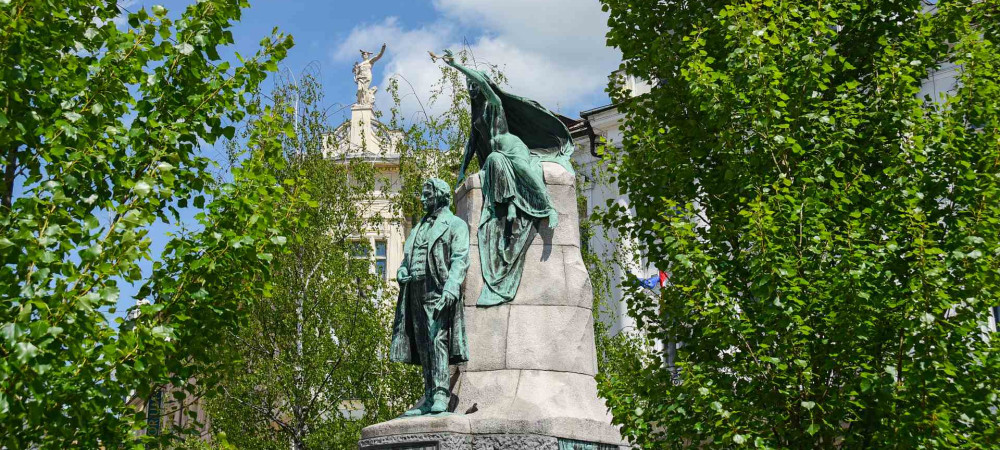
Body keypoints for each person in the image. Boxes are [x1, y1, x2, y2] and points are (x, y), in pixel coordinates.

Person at [433, 50, 576, 306]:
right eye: (469, 87)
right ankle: (510, 205)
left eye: (474, 85)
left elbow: (487, 88)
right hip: (498, 156)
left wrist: (457, 66)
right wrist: (461, 173)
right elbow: (471, 144)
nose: (472, 89)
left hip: (513, 148)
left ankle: (548, 208)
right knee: (494, 162)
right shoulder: (477, 115)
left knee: (526, 172)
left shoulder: (494, 105)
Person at [390, 178, 470, 416]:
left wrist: (451, 288)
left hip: (437, 290)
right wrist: (402, 271)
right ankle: (427, 396)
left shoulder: (455, 225)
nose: (423, 199)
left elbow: (460, 259)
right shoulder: (417, 228)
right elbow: (406, 260)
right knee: (423, 344)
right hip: (414, 291)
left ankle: (441, 395)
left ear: (441, 196)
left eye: (427, 195)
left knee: (438, 341)